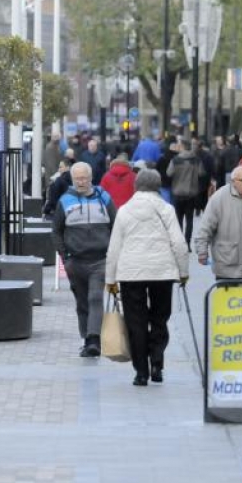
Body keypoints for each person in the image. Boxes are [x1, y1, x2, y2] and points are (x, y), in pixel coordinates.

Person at [105, 169, 189, 387]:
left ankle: (140, 372)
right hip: (162, 272)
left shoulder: (124, 210)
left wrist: (110, 279)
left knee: (136, 322)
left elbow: (114, 248)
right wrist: (183, 272)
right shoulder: (167, 209)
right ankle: (157, 364)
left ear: (136, 186)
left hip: (131, 273)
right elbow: (179, 243)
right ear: (158, 186)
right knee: (159, 319)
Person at [51, 162, 117, 357]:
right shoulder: (65, 200)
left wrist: (113, 252)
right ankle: (86, 338)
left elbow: (117, 224)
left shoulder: (103, 198)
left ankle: (94, 340)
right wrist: (65, 256)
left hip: (100, 260)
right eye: (77, 178)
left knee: (95, 297)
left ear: (90, 178)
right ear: (72, 179)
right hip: (75, 261)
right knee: (82, 302)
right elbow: (56, 231)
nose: (81, 182)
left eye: (84, 178)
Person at [167, 139, 205, 246]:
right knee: (189, 219)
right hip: (191, 193)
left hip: (177, 192)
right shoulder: (196, 160)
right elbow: (201, 173)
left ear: (182, 147)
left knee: (178, 219)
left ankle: (180, 243)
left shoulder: (175, 160)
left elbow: (169, 173)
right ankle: (187, 243)